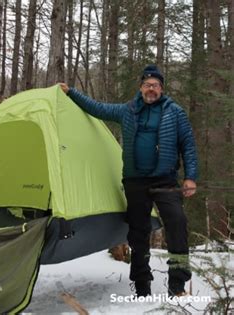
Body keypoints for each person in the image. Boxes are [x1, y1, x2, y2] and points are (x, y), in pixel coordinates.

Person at [59, 65, 198, 297]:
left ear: (162, 89)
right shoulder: (128, 110)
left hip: (166, 181)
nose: (151, 89)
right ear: (140, 87)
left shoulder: (175, 112)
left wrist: (191, 177)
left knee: (177, 225)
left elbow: (189, 147)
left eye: (155, 85)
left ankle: (178, 284)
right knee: (138, 233)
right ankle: (142, 285)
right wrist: (72, 92)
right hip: (135, 182)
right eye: (147, 85)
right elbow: (98, 108)